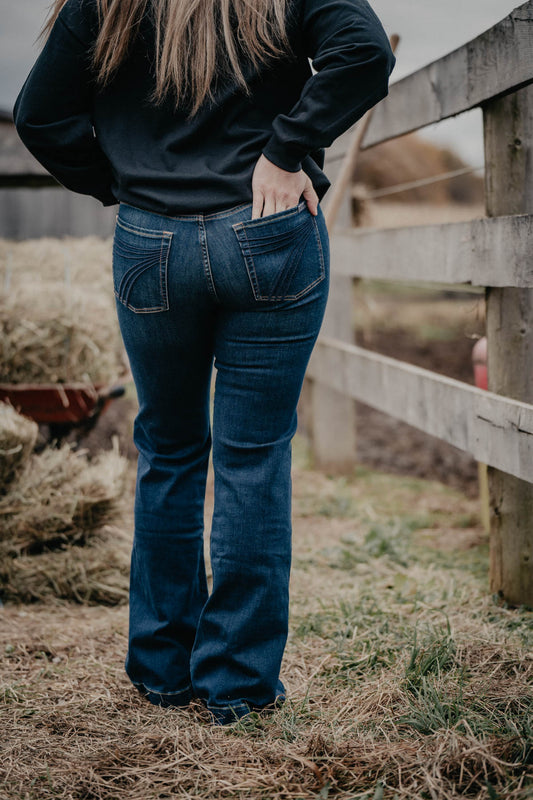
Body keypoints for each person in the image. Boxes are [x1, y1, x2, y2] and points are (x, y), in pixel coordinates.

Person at [13, 0, 395, 725]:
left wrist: (125, 187)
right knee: (253, 456)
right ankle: (239, 688)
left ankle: (162, 671)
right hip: (269, 232)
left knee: (170, 449)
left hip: (150, 243)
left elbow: (40, 114)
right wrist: (285, 151)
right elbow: (364, 53)